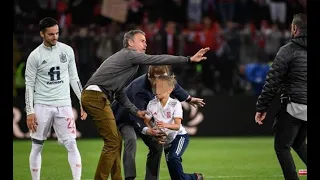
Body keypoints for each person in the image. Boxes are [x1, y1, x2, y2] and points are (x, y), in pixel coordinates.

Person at [81, 29, 209, 180]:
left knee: (114, 142)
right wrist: (188, 59)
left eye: (146, 41)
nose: (145, 44)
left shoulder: (130, 64)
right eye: (142, 40)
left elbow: (119, 93)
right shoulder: (130, 56)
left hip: (97, 95)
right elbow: (157, 59)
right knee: (116, 142)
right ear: (130, 42)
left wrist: (137, 112)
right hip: (105, 104)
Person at [111, 65, 205, 180]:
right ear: (150, 78)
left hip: (142, 115)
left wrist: (189, 99)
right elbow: (137, 116)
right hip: (124, 116)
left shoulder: (162, 82)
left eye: (164, 78)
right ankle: (130, 178)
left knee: (156, 145)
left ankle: (151, 179)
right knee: (131, 139)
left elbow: (173, 86)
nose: (163, 82)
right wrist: (149, 131)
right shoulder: (139, 90)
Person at [24, 17, 87, 180]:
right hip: (42, 105)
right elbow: (29, 85)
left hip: (64, 105)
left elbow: (75, 78)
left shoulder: (67, 51)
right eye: (51, 34)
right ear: (42, 34)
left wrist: (83, 101)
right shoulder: (35, 56)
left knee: (72, 144)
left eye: (57, 33)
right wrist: (30, 112)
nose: (55, 37)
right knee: (37, 146)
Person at [255, 13, 307, 180]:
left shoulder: (287, 51)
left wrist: (262, 107)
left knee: (282, 147)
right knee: (298, 143)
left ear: (294, 28)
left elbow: (272, 82)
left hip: (294, 106)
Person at [144, 74, 204, 180]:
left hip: (179, 137)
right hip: (167, 142)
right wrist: (153, 131)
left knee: (173, 157)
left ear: (170, 89)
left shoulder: (175, 104)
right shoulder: (151, 104)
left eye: (161, 88)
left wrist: (165, 125)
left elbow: (177, 126)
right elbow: (146, 120)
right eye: (156, 87)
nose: (157, 90)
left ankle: (194, 177)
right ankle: (196, 178)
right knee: (177, 178)